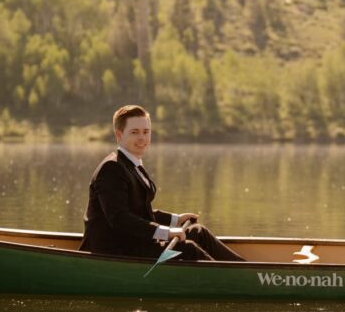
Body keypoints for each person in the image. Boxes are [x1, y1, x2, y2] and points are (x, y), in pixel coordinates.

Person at [79, 105, 245, 261]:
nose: (142, 137)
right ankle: (234, 282)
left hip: (135, 243)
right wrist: (166, 232)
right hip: (114, 251)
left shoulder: (132, 164)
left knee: (197, 232)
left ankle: (246, 272)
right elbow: (120, 219)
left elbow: (140, 211)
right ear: (119, 135)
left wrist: (175, 220)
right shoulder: (111, 169)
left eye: (146, 131)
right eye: (135, 132)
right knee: (186, 248)